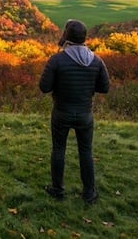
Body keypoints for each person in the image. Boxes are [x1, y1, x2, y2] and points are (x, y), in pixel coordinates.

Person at [39, 19, 110, 203]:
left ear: (66, 37)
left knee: (59, 150)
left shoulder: (57, 60)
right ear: (84, 37)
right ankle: (89, 194)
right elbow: (105, 88)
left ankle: (57, 190)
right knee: (86, 152)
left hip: (61, 112)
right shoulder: (96, 60)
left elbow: (44, 87)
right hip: (85, 114)